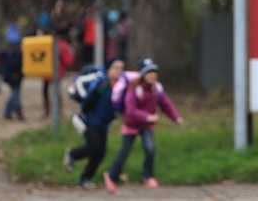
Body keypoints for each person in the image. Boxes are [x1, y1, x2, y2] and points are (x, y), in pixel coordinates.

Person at [103, 58, 183, 192]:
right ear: (143, 75)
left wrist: (176, 117)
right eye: (149, 72)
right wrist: (148, 117)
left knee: (150, 148)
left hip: (146, 125)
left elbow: (166, 104)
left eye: (154, 72)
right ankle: (111, 175)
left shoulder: (157, 88)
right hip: (131, 124)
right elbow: (130, 110)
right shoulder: (134, 89)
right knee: (124, 152)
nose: (152, 75)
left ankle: (148, 176)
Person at [63, 58, 121, 189]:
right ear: (108, 69)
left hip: (103, 124)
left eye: (121, 68)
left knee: (100, 153)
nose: (119, 71)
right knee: (93, 146)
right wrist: (85, 111)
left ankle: (85, 178)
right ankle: (72, 154)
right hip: (89, 120)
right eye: (115, 68)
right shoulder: (103, 84)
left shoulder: (119, 87)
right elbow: (90, 98)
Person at [42, 25, 75, 118]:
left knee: (56, 91)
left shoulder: (61, 45)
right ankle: (48, 111)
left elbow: (69, 58)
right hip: (47, 72)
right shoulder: (44, 44)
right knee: (46, 91)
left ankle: (58, 111)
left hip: (57, 72)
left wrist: (60, 57)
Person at [0, 26, 24, 121]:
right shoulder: (12, 54)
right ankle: (19, 112)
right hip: (13, 77)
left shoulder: (9, 53)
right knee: (15, 95)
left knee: (14, 94)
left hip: (15, 77)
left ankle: (7, 112)